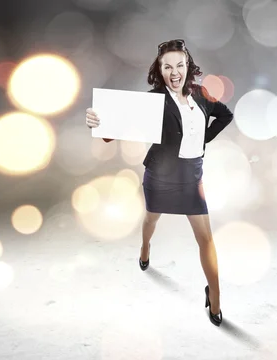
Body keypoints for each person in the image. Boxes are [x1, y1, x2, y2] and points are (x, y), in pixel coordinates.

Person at [85, 39, 233, 326]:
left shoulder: (201, 94)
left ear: (187, 66)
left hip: (191, 178)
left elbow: (225, 115)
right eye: (168, 67)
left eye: (180, 65)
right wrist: (96, 120)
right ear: (160, 70)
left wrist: (202, 139)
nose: (175, 72)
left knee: (205, 239)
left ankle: (214, 296)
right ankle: (145, 248)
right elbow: (111, 131)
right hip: (161, 175)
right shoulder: (153, 101)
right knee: (151, 219)